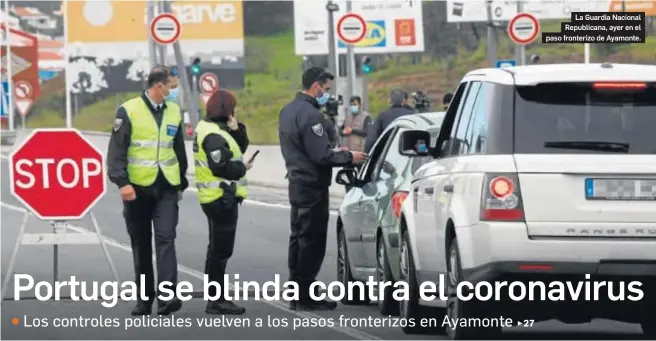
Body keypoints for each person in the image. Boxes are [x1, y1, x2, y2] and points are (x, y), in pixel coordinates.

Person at [278, 67, 367, 311]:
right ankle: (305, 293)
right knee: (312, 240)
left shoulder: (287, 111)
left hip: (295, 181)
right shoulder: (312, 116)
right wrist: (349, 157)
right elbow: (321, 155)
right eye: (326, 89)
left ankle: (295, 289)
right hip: (312, 184)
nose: (327, 94)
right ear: (316, 86)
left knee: (297, 236)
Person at [107, 66, 187, 316]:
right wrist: (122, 182)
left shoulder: (174, 111)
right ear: (158, 86)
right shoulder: (129, 110)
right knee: (141, 244)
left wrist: (181, 182)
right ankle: (144, 301)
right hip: (137, 189)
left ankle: (167, 298)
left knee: (166, 238)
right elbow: (116, 151)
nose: (174, 92)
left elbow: (178, 149)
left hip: (166, 187)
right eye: (172, 87)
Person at [193, 89, 251, 315]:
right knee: (220, 251)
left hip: (216, 197)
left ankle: (216, 298)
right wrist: (242, 168)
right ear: (227, 110)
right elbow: (221, 166)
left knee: (216, 250)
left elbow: (239, 147)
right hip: (220, 197)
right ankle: (216, 301)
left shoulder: (213, 128)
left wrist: (237, 129)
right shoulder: (213, 135)